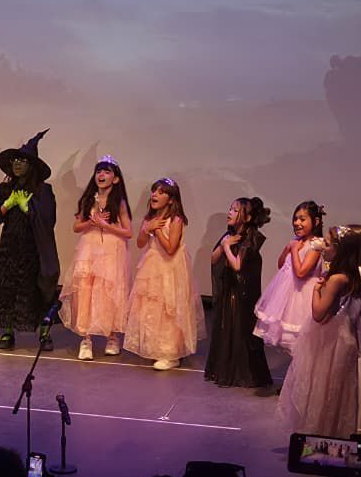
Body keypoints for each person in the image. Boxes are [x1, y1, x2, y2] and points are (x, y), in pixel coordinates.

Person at [278, 224, 361, 435]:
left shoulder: (337, 279)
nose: (322, 247)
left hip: (331, 335)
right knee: (340, 385)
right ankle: (337, 429)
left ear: (341, 250)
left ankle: (319, 429)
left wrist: (317, 289)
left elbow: (319, 314)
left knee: (323, 383)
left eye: (327, 244)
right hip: (351, 331)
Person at [0, 130, 59, 351]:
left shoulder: (43, 190)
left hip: (34, 248)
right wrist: (7, 205)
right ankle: (8, 332)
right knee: (8, 289)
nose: (17, 164)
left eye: (22, 160)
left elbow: (49, 219)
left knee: (39, 291)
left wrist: (28, 208)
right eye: (15, 160)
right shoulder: (5, 189)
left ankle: (45, 334)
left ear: (31, 165)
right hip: (10, 247)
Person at [123, 178, 203, 370]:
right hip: (152, 266)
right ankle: (155, 347)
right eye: (154, 191)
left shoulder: (176, 220)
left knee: (169, 309)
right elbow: (140, 243)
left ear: (171, 199)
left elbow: (170, 248)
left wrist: (156, 230)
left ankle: (170, 352)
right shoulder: (149, 219)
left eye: (160, 192)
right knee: (152, 307)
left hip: (170, 268)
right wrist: (147, 228)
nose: (154, 195)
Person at [59, 155, 132, 360]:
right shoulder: (88, 200)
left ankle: (112, 337)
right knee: (86, 291)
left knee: (110, 292)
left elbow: (128, 232)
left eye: (107, 171)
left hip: (111, 251)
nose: (101, 175)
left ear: (115, 179)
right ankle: (86, 339)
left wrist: (105, 225)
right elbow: (76, 227)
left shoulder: (119, 203)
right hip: (89, 250)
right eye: (99, 171)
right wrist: (92, 223)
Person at [204, 196, 273, 388]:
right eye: (230, 209)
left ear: (247, 217)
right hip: (230, 289)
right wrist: (223, 244)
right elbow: (213, 259)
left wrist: (227, 247)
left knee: (242, 330)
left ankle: (246, 373)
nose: (230, 213)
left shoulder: (252, 237)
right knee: (227, 327)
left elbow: (237, 265)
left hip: (244, 292)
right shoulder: (229, 234)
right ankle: (227, 369)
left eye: (235, 210)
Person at [253, 200, 326, 351]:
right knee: (290, 341)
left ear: (316, 221)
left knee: (302, 340)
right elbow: (281, 265)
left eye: (302, 219)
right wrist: (288, 248)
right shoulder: (297, 241)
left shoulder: (316, 244)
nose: (297, 223)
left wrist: (294, 250)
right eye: (295, 219)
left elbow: (301, 272)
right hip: (288, 294)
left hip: (303, 295)